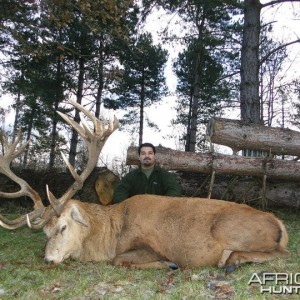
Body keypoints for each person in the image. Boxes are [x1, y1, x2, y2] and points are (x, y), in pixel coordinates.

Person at [112, 142, 181, 203]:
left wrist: (161, 205)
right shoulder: (130, 176)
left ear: (154, 156)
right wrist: (130, 207)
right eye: (143, 153)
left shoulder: (163, 175)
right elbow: (119, 193)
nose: (147, 156)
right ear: (139, 157)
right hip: (136, 214)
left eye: (150, 153)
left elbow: (175, 191)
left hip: (158, 214)